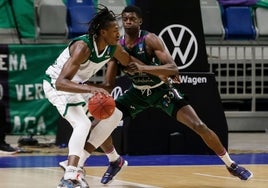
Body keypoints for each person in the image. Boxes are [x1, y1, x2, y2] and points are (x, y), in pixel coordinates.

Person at [60, 5, 253, 185]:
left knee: (198, 125)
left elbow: (173, 68)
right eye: (125, 19)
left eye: (132, 19)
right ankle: (99, 162)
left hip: (161, 90)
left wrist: (144, 67)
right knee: (100, 122)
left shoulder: (150, 39)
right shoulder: (115, 46)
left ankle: (231, 164)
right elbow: (110, 84)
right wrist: (93, 88)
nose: (127, 22)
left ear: (140, 22)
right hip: (136, 93)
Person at [43, 5, 142, 188]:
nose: (118, 34)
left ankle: (115, 160)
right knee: (83, 123)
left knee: (114, 114)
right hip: (56, 85)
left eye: (118, 30)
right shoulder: (83, 47)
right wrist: (91, 89)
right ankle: (71, 174)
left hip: (78, 86)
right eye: (114, 31)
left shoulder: (113, 48)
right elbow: (61, 82)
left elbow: (129, 63)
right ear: (103, 32)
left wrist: (159, 72)